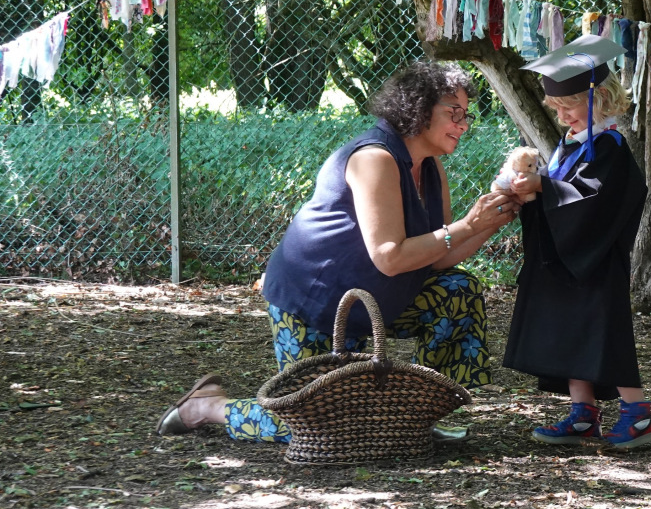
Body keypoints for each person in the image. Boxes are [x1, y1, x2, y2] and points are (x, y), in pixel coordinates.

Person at [155, 61, 521, 443]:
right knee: (315, 427)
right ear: (418, 108)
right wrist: (468, 225)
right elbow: (389, 256)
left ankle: (416, 417)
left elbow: (436, 256)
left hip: (373, 298)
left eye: (466, 114)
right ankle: (207, 406)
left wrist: (491, 222)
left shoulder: (431, 167)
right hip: (316, 301)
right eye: (454, 112)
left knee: (457, 291)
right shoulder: (374, 159)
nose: (463, 124)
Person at [501, 35, 651, 449]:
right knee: (570, 332)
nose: (561, 116)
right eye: (556, 108)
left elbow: (595, 199)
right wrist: (531, 192)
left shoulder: (610, 146)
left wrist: (544, 188)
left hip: (597, 259)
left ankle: (639, 414)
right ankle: (583, 415)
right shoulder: (571, 145)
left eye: (568, 106)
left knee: (604, 333)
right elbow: (560, 191)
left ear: (599, 97)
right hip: (567, 257)